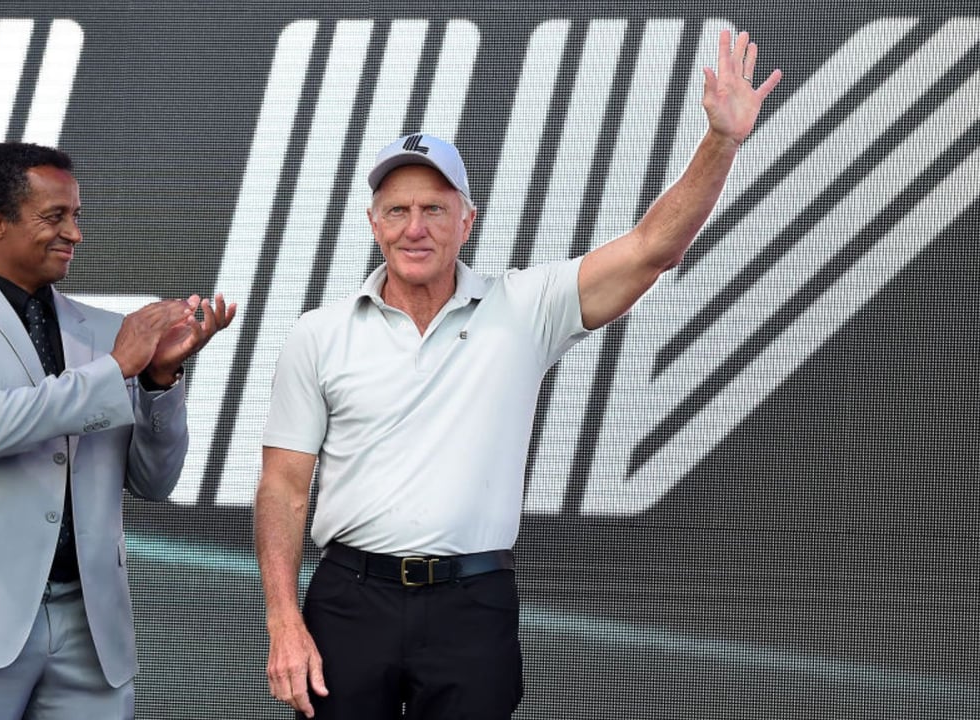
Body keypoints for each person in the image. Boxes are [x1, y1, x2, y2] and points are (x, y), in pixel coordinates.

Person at [256, 30, 780, 719]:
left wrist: (723, 140)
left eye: (435, 209)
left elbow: (654, 248)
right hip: (349, 600)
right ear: (373, 223)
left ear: (467, 221)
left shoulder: (526, 307)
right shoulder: (317, 334)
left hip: (472, 604)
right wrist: (283, 624)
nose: (416, 227)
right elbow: (284, 488)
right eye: (399, 210)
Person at [0, 141, 236, 719]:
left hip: (92, 628)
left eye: (77, 216)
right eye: (55, 217)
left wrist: (159, 381)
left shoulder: (104, 332)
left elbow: (154, 482)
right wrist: (118, 368)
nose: (75, 233)